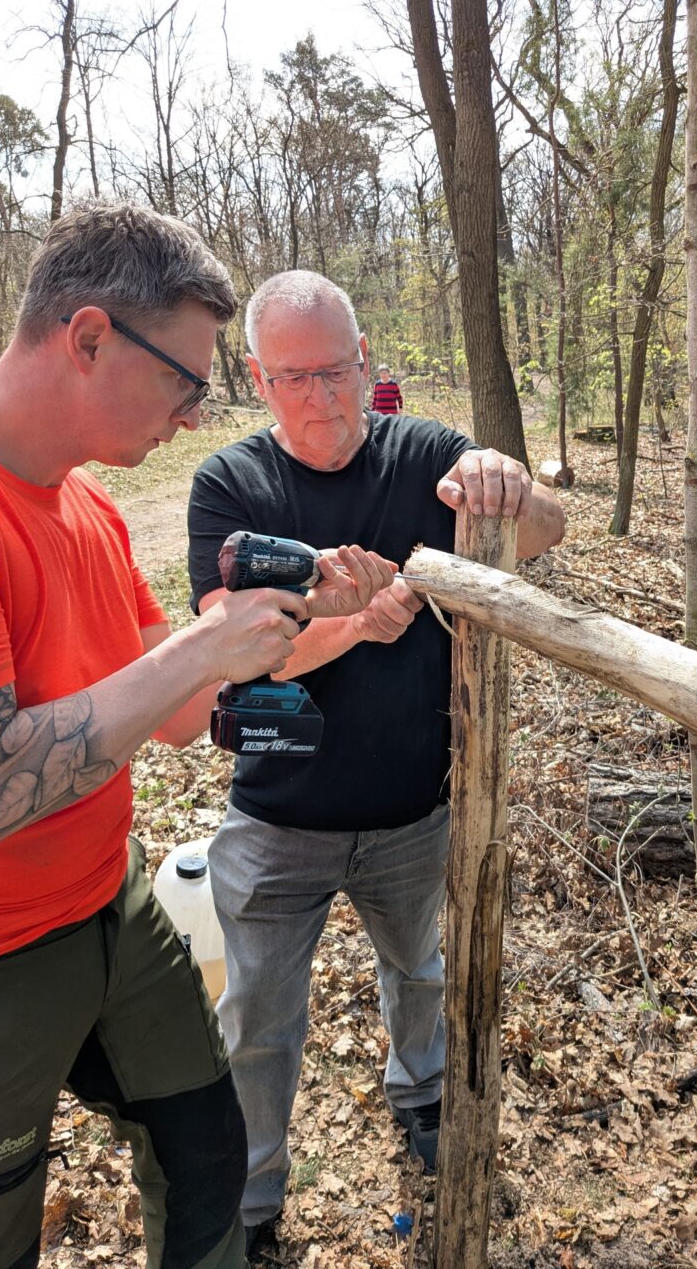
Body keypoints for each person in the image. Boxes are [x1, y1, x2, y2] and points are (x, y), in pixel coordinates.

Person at [0, 207, 395, 1269]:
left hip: (111, 906)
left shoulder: (90, 509)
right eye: (184, 379)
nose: (196, 412)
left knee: (210, 1156)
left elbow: (168, 710)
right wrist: (204, 645)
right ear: (89, 337)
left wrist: (307, 614)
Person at [186, 270, 566, 1251]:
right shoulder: (231, 486)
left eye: (336, 371)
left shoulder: (427, 454)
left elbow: (544, 533)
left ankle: (424, 1095)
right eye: (294, 378)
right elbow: (235, 650)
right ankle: (252, 1201)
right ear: (259, 379)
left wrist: (509, 484)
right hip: (277, 817)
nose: (322, 398)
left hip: (412, 808)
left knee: (420, 970)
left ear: (365, 361)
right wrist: (355, 622)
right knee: (258, 1020)